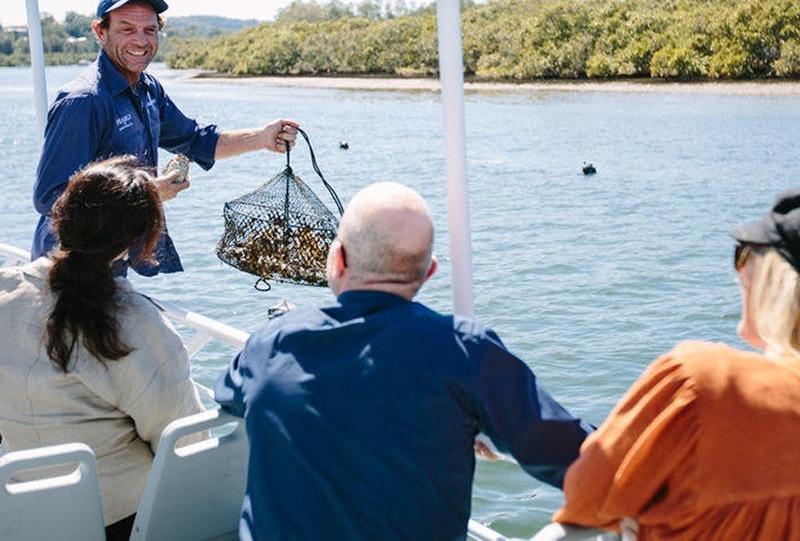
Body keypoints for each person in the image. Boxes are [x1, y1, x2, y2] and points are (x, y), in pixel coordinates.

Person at [215, 181, 592, 541]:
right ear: (429, 272)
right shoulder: (465, 353)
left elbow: (229, 394)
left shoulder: (270, 344)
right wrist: (468, 418)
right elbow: (584, 460)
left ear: (337, 259)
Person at [553, 188, 800, 540]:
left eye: (747, 255)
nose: (739, 270)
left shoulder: (706, 382)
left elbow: (588, 496)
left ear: (777, 281)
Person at [32, 0, 299, 275]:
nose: (141, 41)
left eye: (149, 30)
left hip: (112, 264)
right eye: (127, 29)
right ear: (100, 32)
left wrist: (261, 137)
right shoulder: (84, 101)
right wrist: (146, 193)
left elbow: (196, 140)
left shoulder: (148, 89)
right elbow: (50, 198)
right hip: (67, 270)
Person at [0, 157, 204, 540]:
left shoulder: (6, 293)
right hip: (118, 520)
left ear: (60, 215)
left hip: (19, 509)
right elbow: (183, 441)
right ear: (136, 239)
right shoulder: (137, 324)